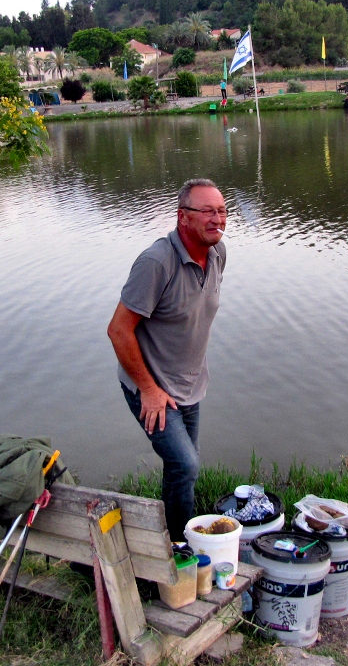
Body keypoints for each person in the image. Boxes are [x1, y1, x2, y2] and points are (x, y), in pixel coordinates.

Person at [107, 179, 228, 540]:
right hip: (150, 387)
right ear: (182, 217)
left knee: (181, 468)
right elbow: (118, 330)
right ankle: (177, 547)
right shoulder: (156, 262)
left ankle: (174, 537)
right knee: (186, 465)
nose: (217, 219)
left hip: (190, 386)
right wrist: (148, 388)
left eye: (222, 211)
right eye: (207, 211)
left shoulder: (219, 253)